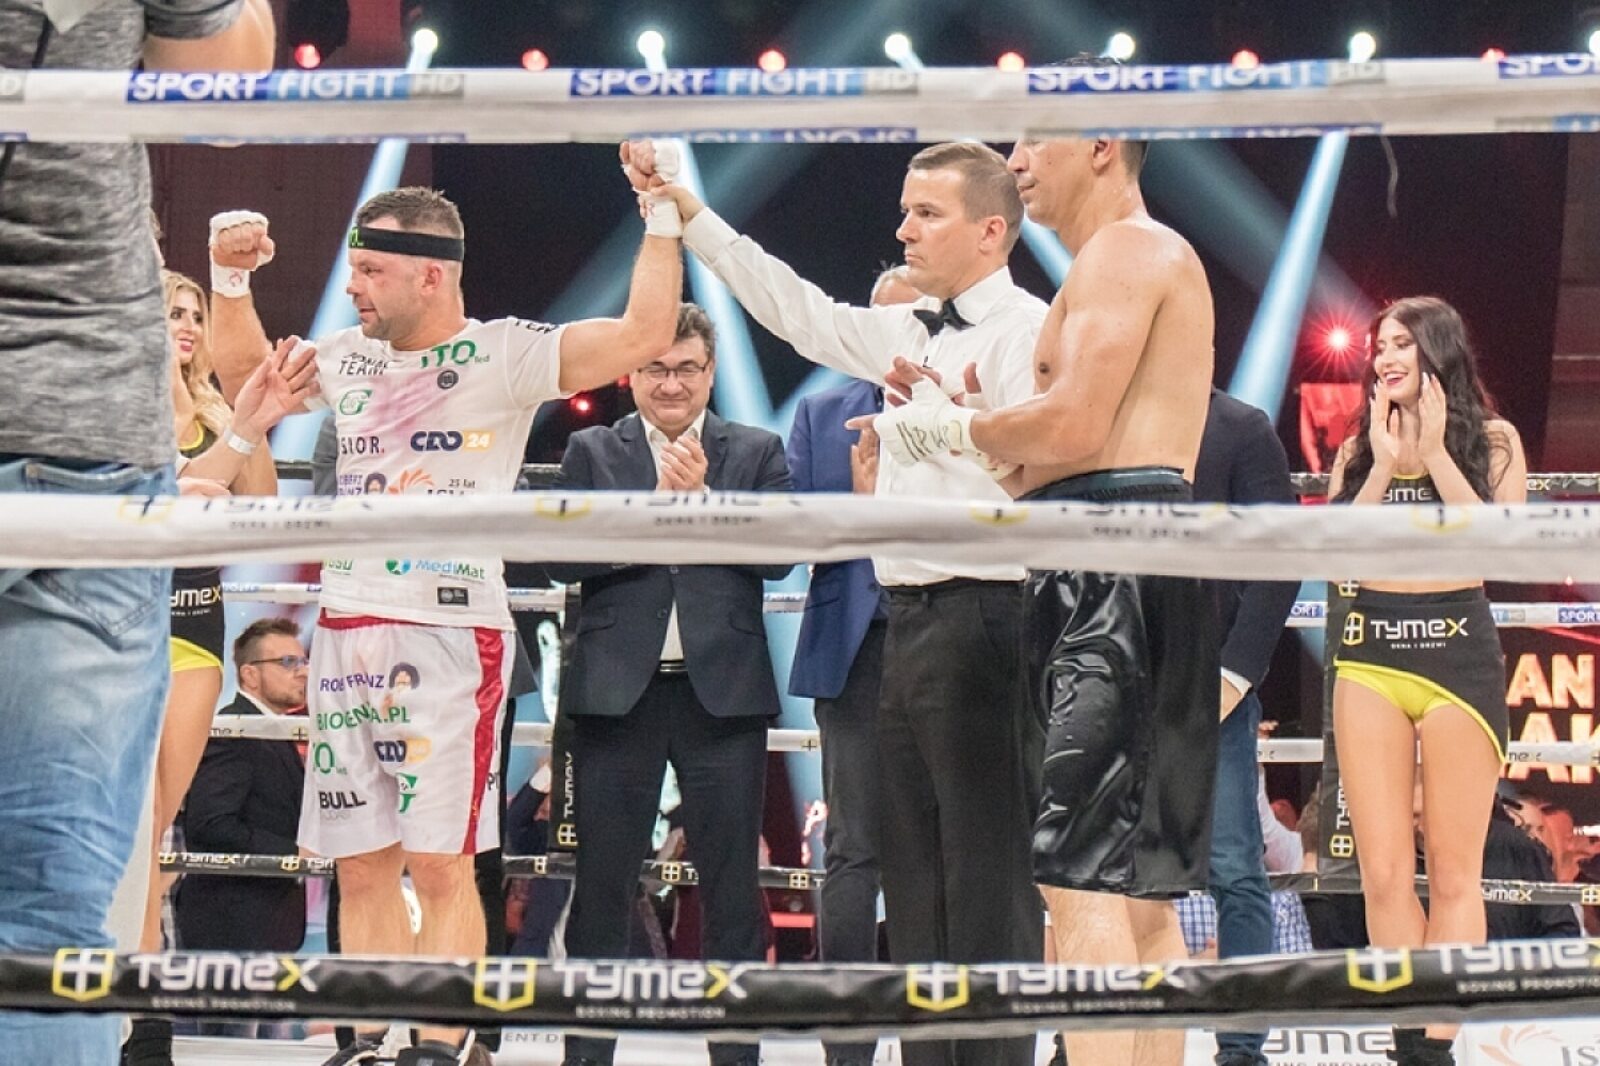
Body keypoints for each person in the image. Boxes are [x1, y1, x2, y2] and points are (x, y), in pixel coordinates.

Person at [208, 178, 683, 1066]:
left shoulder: (504, 355)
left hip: (449, 633)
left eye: (372, 272)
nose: (353, 287)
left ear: (432, 275)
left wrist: (660, 215)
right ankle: (365, 1040)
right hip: (345, 627)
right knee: (362, 864)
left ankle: (435, 1046)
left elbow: (644, 334)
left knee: (441, 862)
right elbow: (245, 382)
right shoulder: (348, 357)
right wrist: (230, 283)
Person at [626, 138, 1047, 1066]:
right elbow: (794, 309)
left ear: (990, 230)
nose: (904, 229)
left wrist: (945, 426)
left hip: (991, 616)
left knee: (989, 874)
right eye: (903, 210)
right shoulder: (906, 330)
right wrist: (693, 215)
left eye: (926, 213)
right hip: (905, 625)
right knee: (912, 873)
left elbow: (1047, 478)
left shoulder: (1030, 332)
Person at [860, 110, 1218, 1066]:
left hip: (1111, 564)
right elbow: (1050, 458)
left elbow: (1073, 426)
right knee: (1139, 895)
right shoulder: (1126, 258)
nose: (1014, 163)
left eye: (1033, 144)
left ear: (1100, 146)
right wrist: (974, 424)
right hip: (1127, 549)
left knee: (1082, 886)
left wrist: (955, 430)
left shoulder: (1122, 253)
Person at [0, 10, 274, 1061]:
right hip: (81, 444)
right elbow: (227, 78)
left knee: (140, 833)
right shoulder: (165, 371)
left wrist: (244, 422)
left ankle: (148, 1018)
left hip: (160, 565)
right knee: (49, 909)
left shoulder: (206, 390)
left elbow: (249, 493)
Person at [545, 303, 792, 1066]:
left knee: (732, 890)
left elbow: (781, 555)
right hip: (617, 696)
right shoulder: (593, 449)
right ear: (632, 374)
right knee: (601, 888)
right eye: (657, 368)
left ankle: (736, 1059)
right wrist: (653, 514)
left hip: (723, 697)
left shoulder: (755, 449)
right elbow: (555, 557)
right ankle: (586, 1059)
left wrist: (707, 508)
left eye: (687, 368)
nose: (672, 384)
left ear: (711, 373)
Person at [1327, 296, 1527, 1066]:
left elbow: (1498, 554)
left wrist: (1438, 454)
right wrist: (1382, 465)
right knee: (1381, 873)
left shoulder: (1495, 441)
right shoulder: (1358, 447)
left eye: (1401, 343)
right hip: (1372, 651)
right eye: (1378, 345)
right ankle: (1409, 1041)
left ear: (1437, 351)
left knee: (1452, 874)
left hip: (1456, 653)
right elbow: (1337, 561)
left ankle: (1432, 1050)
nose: (1384, 357)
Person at [786, 265, 921, 1066]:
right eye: (882, 321)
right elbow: (796, 536)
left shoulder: (970, 409)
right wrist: (863, 516)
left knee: (940, 851)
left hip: (950, 640)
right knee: (853, 849)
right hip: (855, 648)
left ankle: (934, 1044)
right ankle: (846, 1050)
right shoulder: (820, 413)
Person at [1192, 388, 1300, 1066]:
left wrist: (1235, 673)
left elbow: (1279, 556)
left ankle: (1241, 1051)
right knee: (1103, 873)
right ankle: (1089, 1039)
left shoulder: (1239, 428)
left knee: (1234, 867)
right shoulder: (1109, 414)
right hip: (1118, 676)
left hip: (1214, 686)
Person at [175, 618, 309, 1034]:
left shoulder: (271, 731)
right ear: (250, 674)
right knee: (231, 1050)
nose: (302, 671)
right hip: (231, 929)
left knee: (264, 1051)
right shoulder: (233, 731)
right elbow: (210, 825)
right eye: (287, 662)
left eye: (303, 661)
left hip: (267, 929)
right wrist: (296, 855)